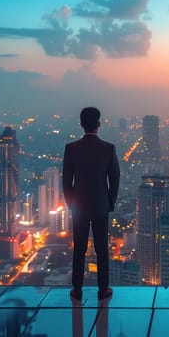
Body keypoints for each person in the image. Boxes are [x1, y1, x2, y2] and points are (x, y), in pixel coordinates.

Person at [63, 107, 120, 301]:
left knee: (79, 247)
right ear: (99, 124)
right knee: (101, 247)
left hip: (79, 206)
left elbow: (66, 181)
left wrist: (71, 203)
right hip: (100, 205)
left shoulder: (71, 148)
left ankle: (77, 289)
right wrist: (110, 202)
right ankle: (103, 289)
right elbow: (115, 178)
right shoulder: (108, 148)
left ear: (81, 124)